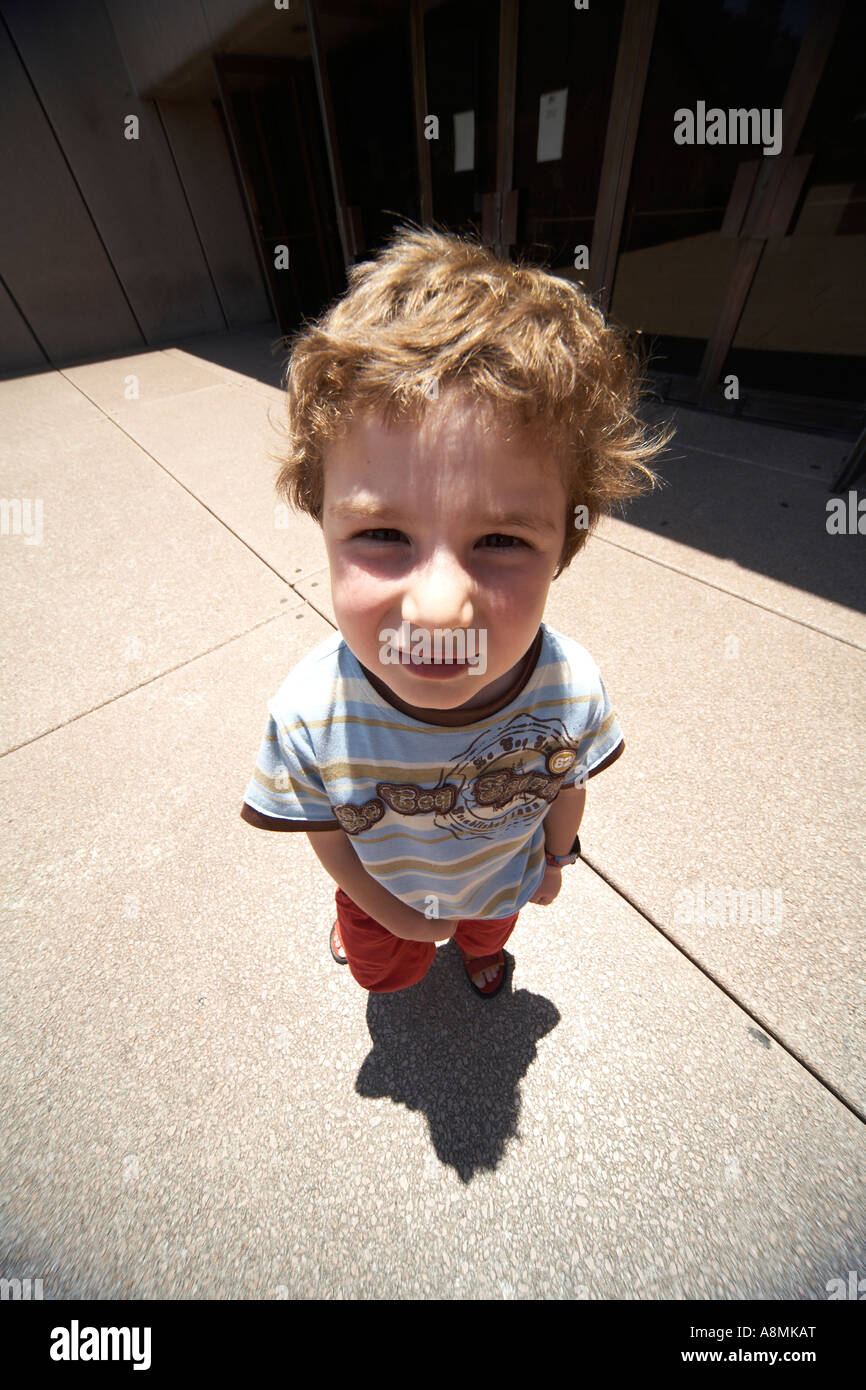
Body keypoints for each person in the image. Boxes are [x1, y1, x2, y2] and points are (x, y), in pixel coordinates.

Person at [240, 225, 672, 998]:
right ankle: (370, 943)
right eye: (382, 534)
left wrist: (555, 859)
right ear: (323, 521)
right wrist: (384, 909)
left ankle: (481, 952)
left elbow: (566, 780)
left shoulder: (568, 686)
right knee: (387, 977)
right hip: (381, 897)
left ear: (562, 550)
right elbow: (325, 828)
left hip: (500, 877)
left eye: (500, 539)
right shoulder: (311, 715)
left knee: (489, 931)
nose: (439, 608)